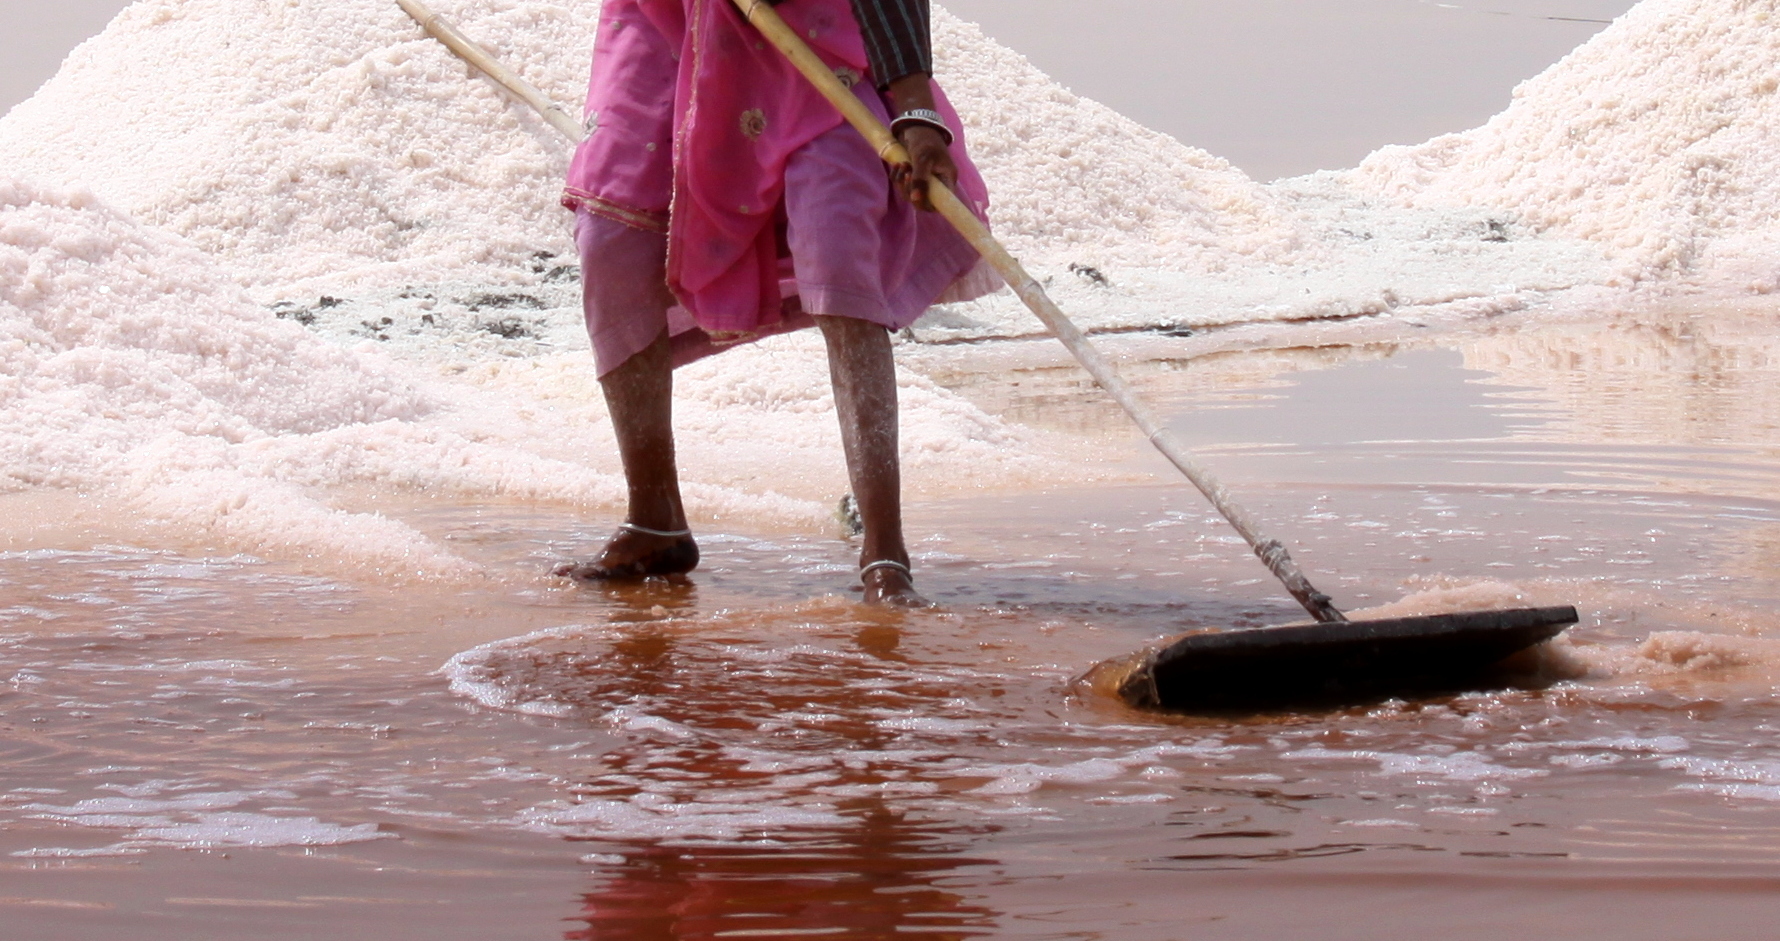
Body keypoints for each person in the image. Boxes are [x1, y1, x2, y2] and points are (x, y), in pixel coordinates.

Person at [553, 0, 998, 605]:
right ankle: (654, 519)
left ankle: (885, 555)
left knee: (837, 238)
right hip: (668, 21)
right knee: (613, 240)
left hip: (814, 32)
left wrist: (916, 110)